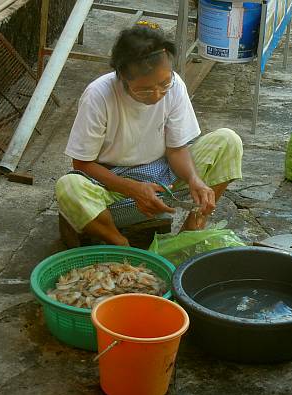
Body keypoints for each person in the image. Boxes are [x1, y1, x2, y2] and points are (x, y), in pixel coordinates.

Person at [56, 24, 243, 246]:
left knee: (228, 141)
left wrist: (195, 180)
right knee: (68, 186)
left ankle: (189, 234)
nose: (156, 95)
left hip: (163, 178)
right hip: (113, 186)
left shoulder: (174, 86)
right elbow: (82, 163)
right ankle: (120, 244)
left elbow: (176, 149)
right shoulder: (98, 95)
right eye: (144, 89)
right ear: (122, 78)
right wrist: (132, 188)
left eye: (163, 84)